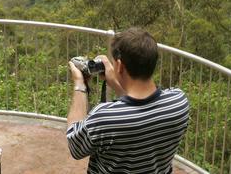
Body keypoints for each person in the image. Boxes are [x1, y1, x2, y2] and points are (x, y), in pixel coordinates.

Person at [66, 27, 190, 174]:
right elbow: (140, 107)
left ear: (119, 65)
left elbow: (75, 145)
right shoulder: (179, 101)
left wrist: (80, 85)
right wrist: (114, 81)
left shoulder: (104, 117)